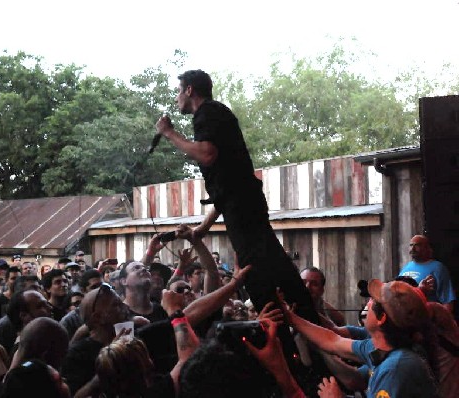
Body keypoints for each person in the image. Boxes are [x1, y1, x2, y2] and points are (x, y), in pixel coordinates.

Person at [154, 70, 317, 352]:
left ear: (190, 90)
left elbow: (207, 154)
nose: (177, 97)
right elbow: (228, 184)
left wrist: (168, 133)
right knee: (277, 267)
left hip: (244, 207)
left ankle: (285, 350)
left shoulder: (207, 113)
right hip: (244, 204)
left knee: (255, 276)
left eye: (179, 91)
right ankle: (313, 331)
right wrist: (203, 228)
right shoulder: (214, 114)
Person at [286, 278, 438, 397]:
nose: (368, 302)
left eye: (373, 300)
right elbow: (332, 340)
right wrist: (290, 317)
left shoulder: (394, 369)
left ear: (381, 318)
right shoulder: (380, 347)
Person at [398, 234, 455, 312]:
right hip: (406, 319)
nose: (413, 249)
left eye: (417, 245)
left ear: (427, 248)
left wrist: (444, 322)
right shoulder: (406, 267)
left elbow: (447, 301)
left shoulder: (438, 268)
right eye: (411, 245)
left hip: (427, 318)